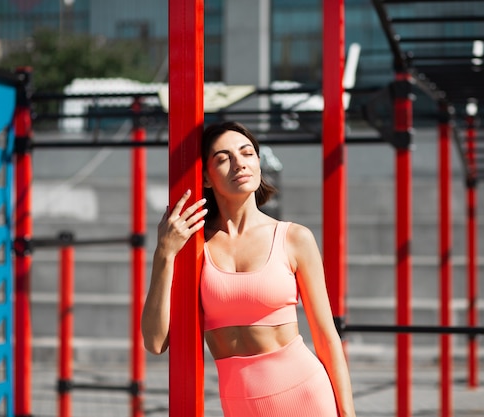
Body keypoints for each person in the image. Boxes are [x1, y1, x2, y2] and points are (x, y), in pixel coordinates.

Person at [141, 121, 356, 417]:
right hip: (240, 406)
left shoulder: (294, 238)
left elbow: (326, 336)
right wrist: (164, 252)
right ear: (205, 176)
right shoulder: (193, 248)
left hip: (306, 395)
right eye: (223, 158)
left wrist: (348, 413)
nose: (239, 163)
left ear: (258, 162)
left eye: (247, 153)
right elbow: (154, 341)